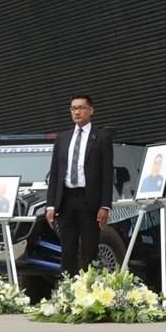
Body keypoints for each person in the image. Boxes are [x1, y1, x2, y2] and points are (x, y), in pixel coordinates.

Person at [45, 95, 114, 277]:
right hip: (66, 199)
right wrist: (50, 204)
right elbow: (55, 173)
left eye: (81, 107)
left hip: (89, 199)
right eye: (73, 108)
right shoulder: (62, 138)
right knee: (68, 248)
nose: (77, 111)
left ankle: (88, 292)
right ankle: (68, 290)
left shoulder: (101, 137)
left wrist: (105, 205)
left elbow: (107, 173)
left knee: (89, 248)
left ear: (91, 110)